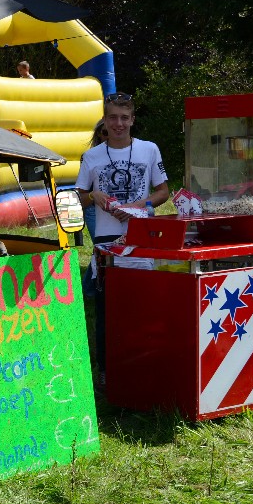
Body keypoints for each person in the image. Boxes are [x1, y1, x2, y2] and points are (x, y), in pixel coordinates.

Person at [76, 92, 169, 388]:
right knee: (107, 307)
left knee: (145, 302)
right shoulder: (91, 156)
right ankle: (107, 368)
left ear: (132, 120)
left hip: (142, 236)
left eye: (124, 118)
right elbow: (80, 197)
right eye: (113, 117)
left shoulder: (149, 150)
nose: (119, 123)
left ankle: (148, 361)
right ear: (105, 120)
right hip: (107, 239)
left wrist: (142, 206)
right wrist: (94, 196)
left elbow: (163, 191)